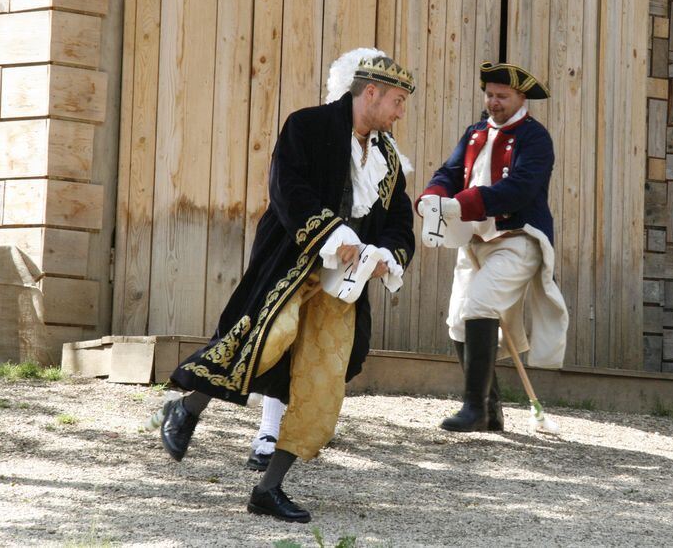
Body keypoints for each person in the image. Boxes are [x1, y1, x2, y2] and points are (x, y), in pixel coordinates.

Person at [159, 50, 418, 520]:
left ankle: (268, 488)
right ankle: (188, 408)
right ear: (371, 93)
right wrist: (333, 235)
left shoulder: (387, 156)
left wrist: (386, 256)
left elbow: (399, 219)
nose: (401, 113)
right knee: (264, 341)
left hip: (342, 287)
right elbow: (288, 189)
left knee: (323, 378)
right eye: (397, 101)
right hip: (290, 264)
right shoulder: (308, 126)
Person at [416, 61, 568, 432]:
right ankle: (491, 410)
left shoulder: (536, 138)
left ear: (521, 98)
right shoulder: (475, 133)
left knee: (479, 304)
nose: (493, 102)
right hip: (474, 240)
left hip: (518, 240)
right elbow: (449, 173)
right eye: (489, 95)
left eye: (502, 96)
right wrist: (433, 196)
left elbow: (519, 189)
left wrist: (464, 203)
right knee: (458, 321)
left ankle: (473, 410)